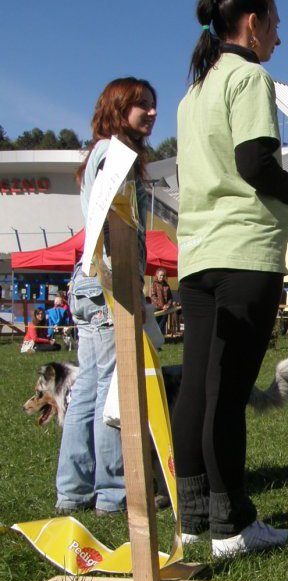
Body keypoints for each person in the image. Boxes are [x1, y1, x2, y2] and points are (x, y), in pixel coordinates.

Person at [174, 0, 288, 558]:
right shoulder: (249, 77)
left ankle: (193, 518)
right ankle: (232, 525)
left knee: (197, 391)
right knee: (227, 395)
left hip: (196, 255)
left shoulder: (193, 92)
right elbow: (254, 163)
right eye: (275, 23)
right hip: (244, 253)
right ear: (252, 23)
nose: (279, 36)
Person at [55, 77, 156, 516]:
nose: (152, 112)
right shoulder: (115, 155)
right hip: (108, 285)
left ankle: (74, 490)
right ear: (118, 109)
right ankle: (114, 490)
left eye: (152, 105)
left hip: (89, 281)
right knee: (114, 386)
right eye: (142, 105)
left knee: (89, 388)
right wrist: (128, 286)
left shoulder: (100, 153)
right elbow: (115, 227)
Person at [149, 267, 174, 334]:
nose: (162, 277)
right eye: (160, 275)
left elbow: (170, 298)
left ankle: (159, 339)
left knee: (161, 327)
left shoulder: (167, 285)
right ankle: (154, 339)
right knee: (155, 326)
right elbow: (153, 296)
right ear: (157, 275)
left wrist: (167, 305)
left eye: (163, 275)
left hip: (165, 310)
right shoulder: (154, 284)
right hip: (156, 309)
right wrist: (162, 306)